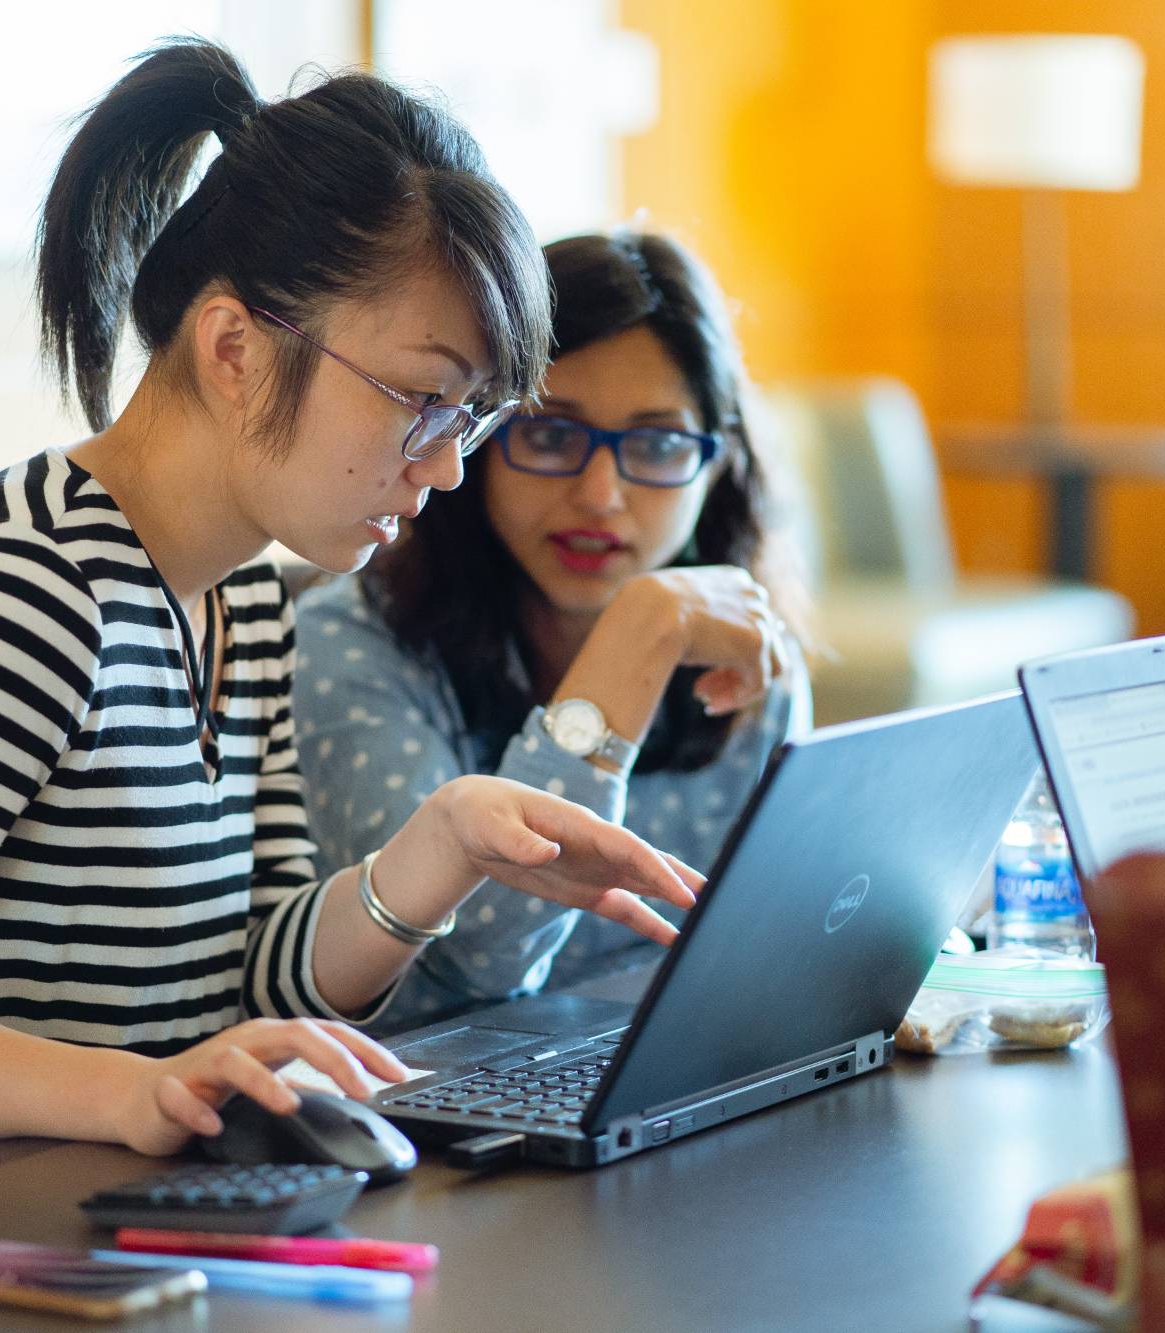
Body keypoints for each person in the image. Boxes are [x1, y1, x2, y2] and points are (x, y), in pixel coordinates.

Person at [0, 42, 701, 1256]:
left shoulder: (239, 602)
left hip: (26, 1243)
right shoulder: (9, 591)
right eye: (421, 401)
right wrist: (127, 1088)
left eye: (473, 417)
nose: (443, 467)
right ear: (233, 349)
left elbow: (251, 983)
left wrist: (434, 853)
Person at [295, 231, 810, 1032]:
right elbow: (487, 960)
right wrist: (632, 646)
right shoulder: (349, 644)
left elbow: (772, 942)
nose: (601, 494)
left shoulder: (739, 644)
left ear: (717, 465)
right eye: (551, 434)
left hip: (661, 1075)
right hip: (428, 1111)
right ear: (480, 441)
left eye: (658, 443)